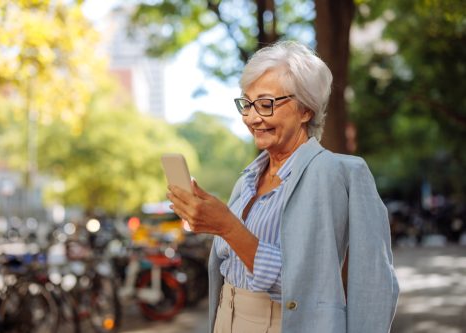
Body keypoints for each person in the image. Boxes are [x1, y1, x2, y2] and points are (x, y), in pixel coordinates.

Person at [166, 40, 399, 333]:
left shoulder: (340, 173)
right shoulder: (247, 180)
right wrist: (206, 220)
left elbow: (374, 284)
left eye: (266, 104)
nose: (251, 117)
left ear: (306, 110)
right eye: (247, 104)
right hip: (226, 317)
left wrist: (228, 227)